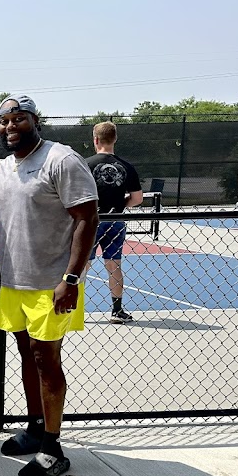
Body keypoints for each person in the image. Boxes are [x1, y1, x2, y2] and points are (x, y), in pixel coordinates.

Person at [0, 95, 98, 476]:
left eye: (19, 118)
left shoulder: (61, 159)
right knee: (27, 354)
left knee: (45, 360)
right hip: (14, 282)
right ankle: (36, 427)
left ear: (36, 121)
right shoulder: (2, 169)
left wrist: (71, 279)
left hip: (52, 284)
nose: (11, 126)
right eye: (4, 121)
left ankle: (53, 447)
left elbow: (87, 218)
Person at [85, 121, 143, 324]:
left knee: (82, 265)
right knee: (114, 264)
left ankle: (72, 311)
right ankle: (117, 311)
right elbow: (137, 198)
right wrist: (120, 206)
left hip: (91, 220)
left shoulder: (85, 164)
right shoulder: (127, 167)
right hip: (116, 220)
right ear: (115, 139)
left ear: (95, 140)